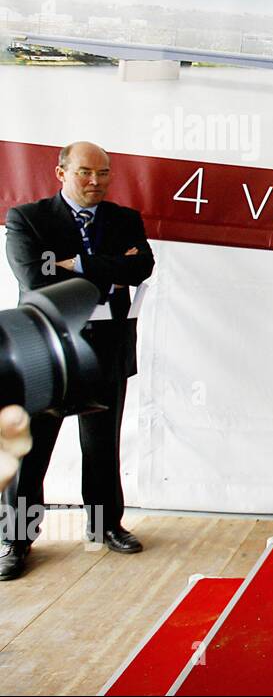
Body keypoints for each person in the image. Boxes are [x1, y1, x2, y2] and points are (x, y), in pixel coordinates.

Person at [1, 142, 155, 581]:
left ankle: (106, 525)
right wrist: (109, 267)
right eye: (86, 172)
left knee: (102, 445)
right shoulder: (28, 219)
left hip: (107, 348)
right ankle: (16, 538)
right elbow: (35, 277)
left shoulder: (124, 220)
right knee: (30, 451)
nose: (95, 182)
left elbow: (141, 267)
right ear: (61, 172)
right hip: (44, 352)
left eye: (103, 173)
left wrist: (80, 262)